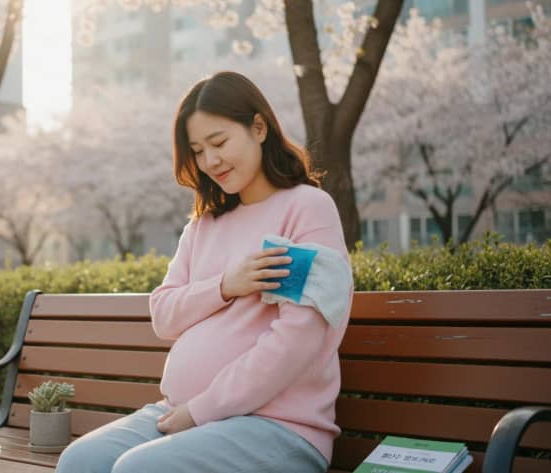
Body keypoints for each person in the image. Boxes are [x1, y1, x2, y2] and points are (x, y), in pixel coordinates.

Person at [55, 71, 353, 473]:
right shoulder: (203, 226)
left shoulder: (305, 209)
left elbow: (295, 342)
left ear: (259, 128)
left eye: (219, 142)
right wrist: (226, 285)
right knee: (80, 461)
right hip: (181, 412)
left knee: (138, 470)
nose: (210, 161)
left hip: (278, 427)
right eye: (197, 150)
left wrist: (201, 410)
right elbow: (164, 314)